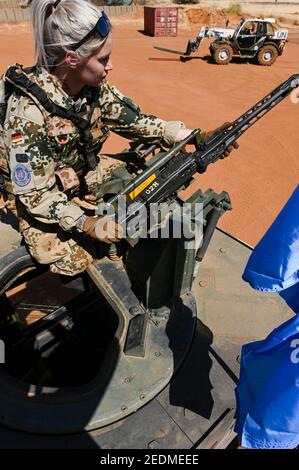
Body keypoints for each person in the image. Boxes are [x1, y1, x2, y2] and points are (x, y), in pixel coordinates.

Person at [0, 0, 237, 276]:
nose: (110, 66)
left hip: (79, 176)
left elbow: (138, 122)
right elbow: (34, 194)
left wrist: (194, 137)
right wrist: (85, 223)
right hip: (39, 196)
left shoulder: (94, 89)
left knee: (149, 176)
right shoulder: (27, 113)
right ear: (72, 59)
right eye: (102, 60)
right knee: (73, 257)